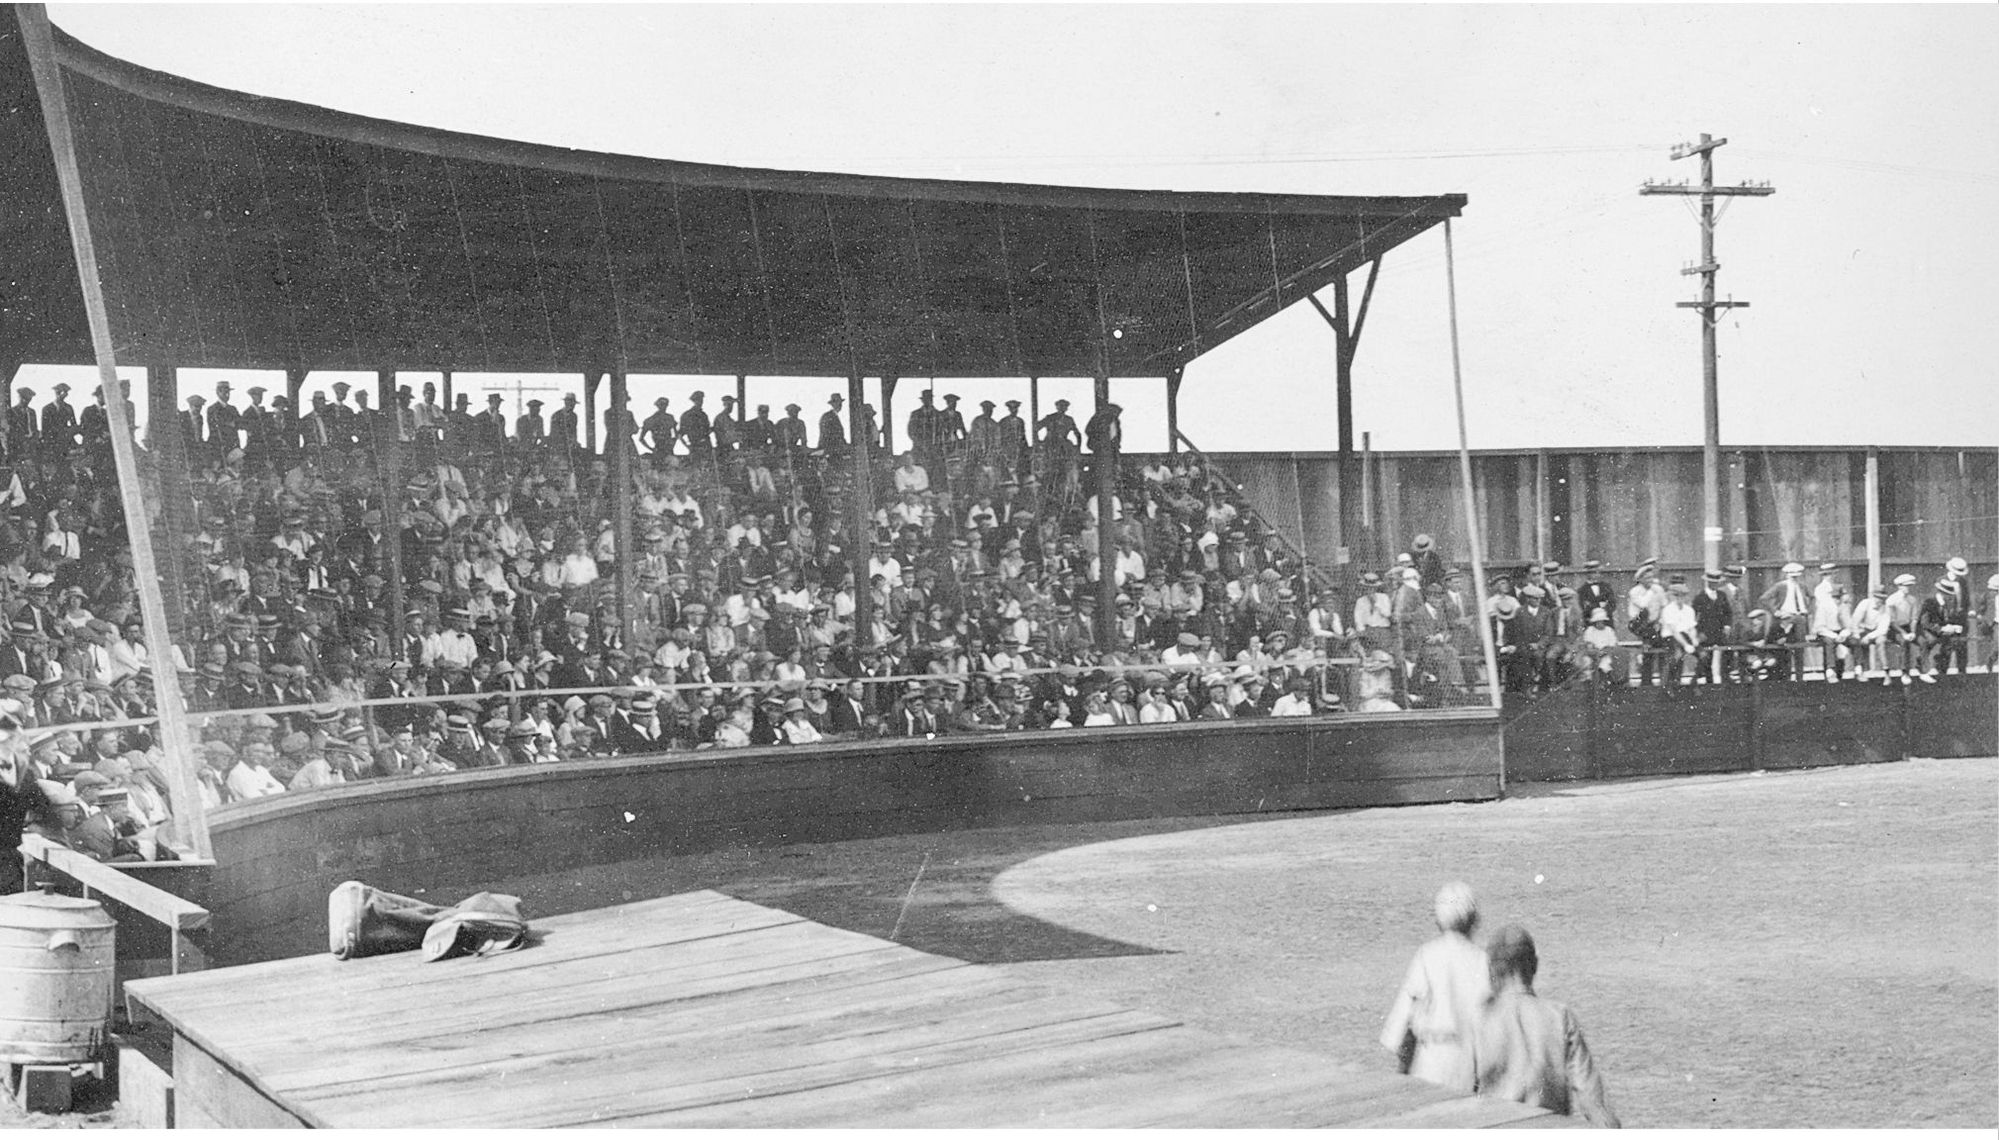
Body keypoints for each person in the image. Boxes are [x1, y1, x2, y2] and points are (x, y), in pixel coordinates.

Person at [1470, 925, 1621, 1127]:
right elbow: (1593, 1103)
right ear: (1534, 966)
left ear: (1492, 971)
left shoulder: (1479, 1019)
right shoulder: (1560, 1017)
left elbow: (1456, 1095)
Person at [1379, 881, 1489, 1093]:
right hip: (1467, 1069)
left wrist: (1401, 1075)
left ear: (1439, 921)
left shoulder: (1426, 956)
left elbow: (1403, 1028)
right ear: (1473, 920)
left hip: (1428, 1067)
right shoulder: (1483, 961)